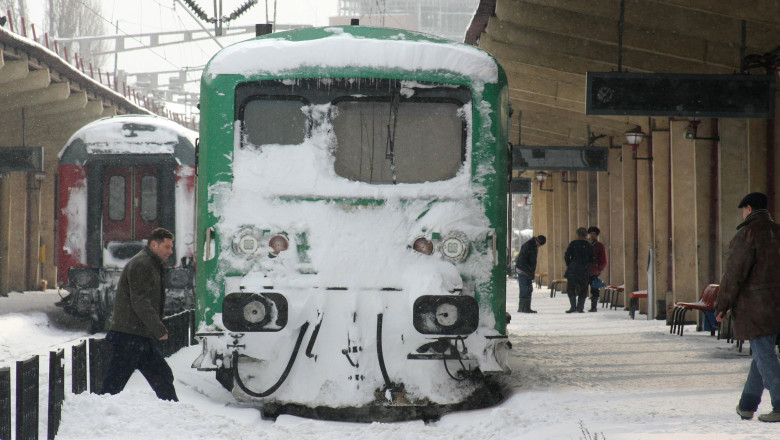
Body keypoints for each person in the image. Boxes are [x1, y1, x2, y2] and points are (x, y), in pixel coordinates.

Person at [716, 192, 780, 422]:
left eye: (743, 209)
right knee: (761, 355)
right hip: (776, 305)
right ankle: (747, 405)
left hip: (757, 306)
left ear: (749, 209)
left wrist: (723, 304)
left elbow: (734, 274)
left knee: (765, 355)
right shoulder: (778, 231)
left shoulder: (747, 234)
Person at [100, 228, 179, 401]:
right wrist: (159, 329)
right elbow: (140, 301)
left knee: (163, 377)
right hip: (130, 336)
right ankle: (100, 411)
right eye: (167, 247)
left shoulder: (151, 264)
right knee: (114, 384)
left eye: (171, 247)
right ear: (154, 245)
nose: (170, 251)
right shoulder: (142, 264)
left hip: (139, 336)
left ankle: (173, 411)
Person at [564, 227, 594, 313]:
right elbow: (592, 258)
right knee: (583, 289)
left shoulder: (573, 244)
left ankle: (573, 306)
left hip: (573, 270)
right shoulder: (589, 245)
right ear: (585, 235)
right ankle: (580, 307)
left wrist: (570, 264)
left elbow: (567, 256)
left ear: (577, 235)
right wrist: (587, 265)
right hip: (584, 270)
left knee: (571, 288)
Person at [515, 235, 547, 313]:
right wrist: (529, 271)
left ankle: (526, 307)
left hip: (527, 271)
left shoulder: (533, 245)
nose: (540, 246)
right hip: (523, 270)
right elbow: (523, 260)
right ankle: (523, 308)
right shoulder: (529, 245)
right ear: (539, 242)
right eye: (540, 245)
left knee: (529, 289)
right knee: (524, 289)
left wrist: (531, 272)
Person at [587, 226, 608, 312]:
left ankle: (593, 306)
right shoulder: (585, 244)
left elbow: (603, 259)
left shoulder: (600, 246)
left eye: (594, 234)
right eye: (591, 233)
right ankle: (579, 306)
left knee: (594, 289)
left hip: (594, 271)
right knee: (581, 288)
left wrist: (599, 269)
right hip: (585, 270)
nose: (592, 235)